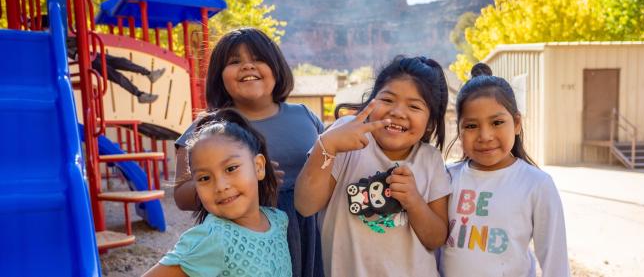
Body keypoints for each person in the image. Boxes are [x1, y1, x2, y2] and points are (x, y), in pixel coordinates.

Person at [173, 28, 324, 277]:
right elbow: (181, 195)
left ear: (276, 67)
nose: (247, 66)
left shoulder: (306, 117)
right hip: (242, 235)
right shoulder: (208, 130)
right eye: (234, 62)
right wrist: (237, 178)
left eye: (258, 59)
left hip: (307, 230)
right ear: (219, 76)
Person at [295, 56, 451, 276]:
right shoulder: (345, 136)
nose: (397, 112)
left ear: (430, 124)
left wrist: (414, 201)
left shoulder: (430, 160)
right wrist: (327, 146)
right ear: (371, 102)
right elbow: (305, 205)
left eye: (414, 106)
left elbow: (436, 239)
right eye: (387, 100)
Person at [440, 63, 570, 277]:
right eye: (471, 126)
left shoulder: (537, 184)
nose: (485, 136)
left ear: (517, 123)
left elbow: (555, 261)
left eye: (497, 122)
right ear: (459, 129)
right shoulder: (446, 177)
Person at [143, 109, 291, 277]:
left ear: (258, 167)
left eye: (231, 168)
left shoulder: (278, 220)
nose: (220, 186)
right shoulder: (212, 238)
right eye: (205, 178)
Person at [65, 37, 163, 104]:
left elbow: (78, 40)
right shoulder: (56, 39)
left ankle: (149, 73)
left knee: (121, 62)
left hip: (89, 53)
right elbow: (71, 46)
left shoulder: (62, 35)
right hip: (84, 57)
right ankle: (140, 95)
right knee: (116, 76)